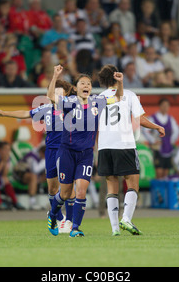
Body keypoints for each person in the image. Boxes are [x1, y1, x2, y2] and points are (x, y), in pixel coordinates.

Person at [46, 65, 123, 237]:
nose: (86, 85)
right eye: (82, 83)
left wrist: (120, 82)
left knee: (81, 190)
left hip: (86, 154)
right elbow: (50, 96)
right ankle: (52, 214)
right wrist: (55, 76)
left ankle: (75, 228)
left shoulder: (98, 102)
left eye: (88, 83)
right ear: (76, 88)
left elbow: (118, 97)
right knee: (65, 193)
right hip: (67, 152)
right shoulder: (69, 102)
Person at [0, 80, 75, 228]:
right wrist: (4, 113)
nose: (56, 95)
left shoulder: (72, 108)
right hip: (51, 151)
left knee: (68, 188)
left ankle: (69, 222)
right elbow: (26, 113)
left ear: (66, 94)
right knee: (52, 188)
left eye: (59, 92)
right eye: (54, 92)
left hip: (67, 151)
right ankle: (58, 216)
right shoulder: (46, 109)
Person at [97, 64, 165, 236]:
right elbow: (139, 119)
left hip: (104, 146)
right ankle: (126, 218)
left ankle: (114, 229)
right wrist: (157, 127)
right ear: (117, 76)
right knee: (132, 182)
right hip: (124, 144)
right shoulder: (129, 95)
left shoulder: (98, 97)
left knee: (112, 186)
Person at [142, 98, 179, 179]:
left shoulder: (170, 119)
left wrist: (172, 140)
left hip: (168, 148)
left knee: (166, 172)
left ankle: (164, 190)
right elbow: (144, 130)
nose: (165, 108)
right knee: (158, 171)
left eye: (167, 106)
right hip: (158, 148)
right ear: (159, 106)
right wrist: (153, 140)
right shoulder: (153, 118)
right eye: (163, 105)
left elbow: (177, 130)